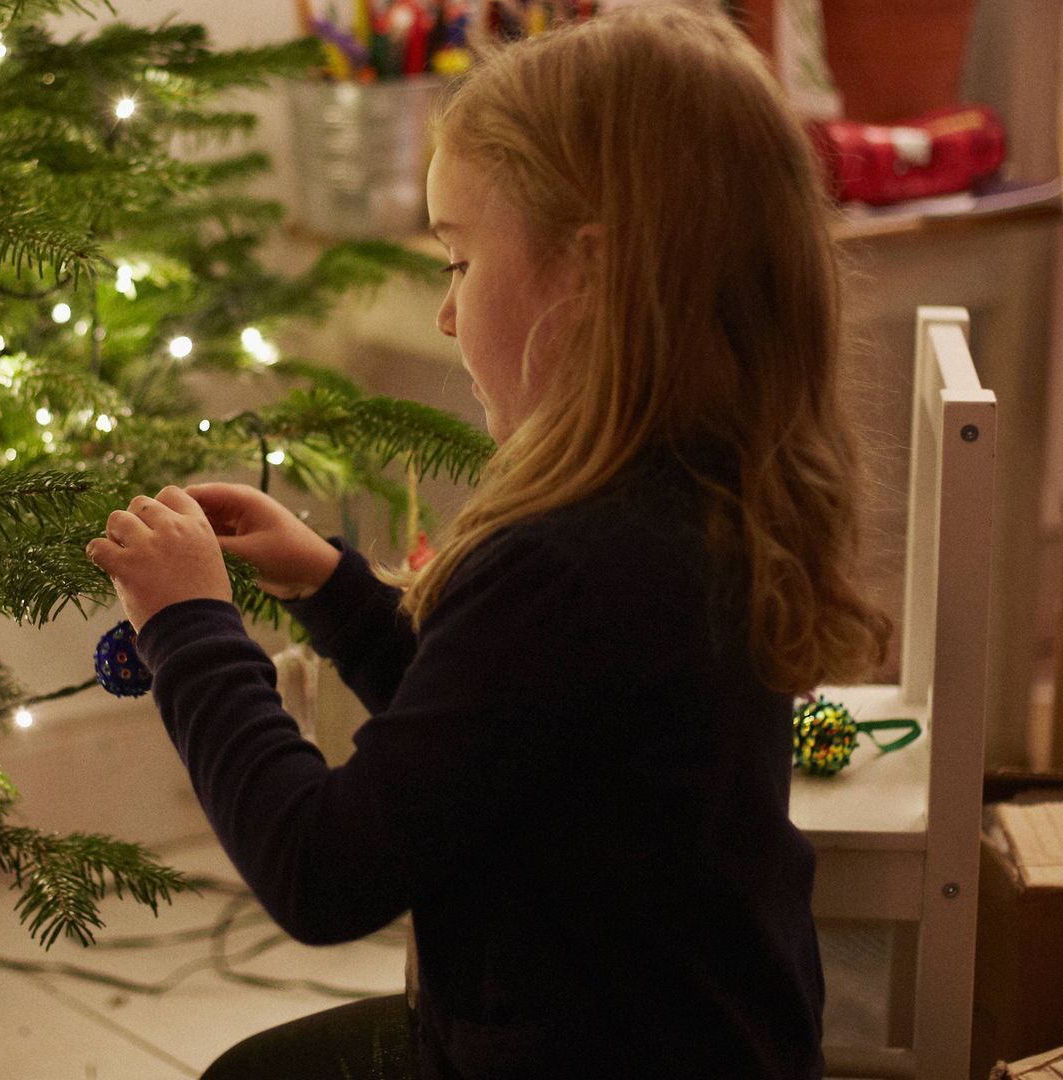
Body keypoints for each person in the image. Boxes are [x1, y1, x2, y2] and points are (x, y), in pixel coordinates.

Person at [82, 6, 894, 1078]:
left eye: (459, 261)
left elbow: (323, 871)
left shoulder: (571, 560)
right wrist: (337, 591)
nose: (446, 316)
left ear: (589, 273)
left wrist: (190, 627)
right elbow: (495, 732)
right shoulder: (691, 495)